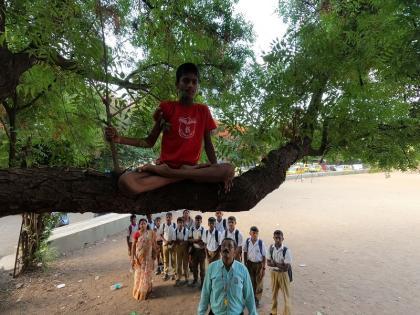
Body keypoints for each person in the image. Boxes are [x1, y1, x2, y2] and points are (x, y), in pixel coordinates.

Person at [105, 63, 235, 195]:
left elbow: (208, 145)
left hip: (183, 169)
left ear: (197, 86)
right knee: (125, 182)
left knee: (229, 170)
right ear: (177, 84)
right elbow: (149, 142)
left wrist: (216, 168)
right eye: (185, 80)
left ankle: (173, 175)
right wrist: (119, 139)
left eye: (194, 82)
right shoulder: (167, 108)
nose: (190, 85)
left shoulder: (203, 110)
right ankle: (181, 175)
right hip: (172, 167)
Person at [197, 238, 257, 315]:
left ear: (235, 251)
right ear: (220, 250)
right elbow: (205, 293)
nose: (226, 248)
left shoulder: (242, 270)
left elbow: (249, 296)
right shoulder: (212, 268)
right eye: (223, 246)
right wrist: (200, 313)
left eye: (229, 246)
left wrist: (253, 313)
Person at [131, 218, 157, 301]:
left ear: (147, 225)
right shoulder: (136, 234)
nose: (142, 225)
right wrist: (133, 258)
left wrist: (154, 255)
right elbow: (133, 246)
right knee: (139, 275)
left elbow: (153, 245)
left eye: (144, 223)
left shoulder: (151, 233)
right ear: (139, 225)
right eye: (141, 223)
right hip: (139, 259)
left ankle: (147, 290)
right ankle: (140, 291)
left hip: (148, 259)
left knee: (147, 275)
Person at [267, 230, 292, 315]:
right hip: (274, 273)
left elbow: (286, 268)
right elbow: (268, 262)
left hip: (283, 275)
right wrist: (279, 264)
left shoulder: (286, 250)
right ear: (273, 238)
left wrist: (275, 263)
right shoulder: (271, 248)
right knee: (274, 294)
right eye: (276, 238)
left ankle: (287, 313)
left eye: (279, 238)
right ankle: (273, 312)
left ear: (283, 239)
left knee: (286, 296)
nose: (277, 240)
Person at [244, 226, 267, 308]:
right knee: (251, 281)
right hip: (250, 264)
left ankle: (257, 299)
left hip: (258, 265)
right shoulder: (247, 241)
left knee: (259, 282)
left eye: (256, 233)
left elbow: (264, 256)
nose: (255, 235)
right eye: (253, 233)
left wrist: (263, 268)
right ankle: (252, 298)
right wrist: (245, 263)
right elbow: (245, 252)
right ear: (250, 233)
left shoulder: (261, 243)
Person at [188, 214, 206, 288]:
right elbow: (189, 239)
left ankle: (202, 283)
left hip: (201, 251)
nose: (198, 221)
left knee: (202, 268)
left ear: (201, 221)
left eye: (199, 220)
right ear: (194, 221)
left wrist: (194, 241)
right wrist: (197, 240)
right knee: (194, 267)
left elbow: (203, 242)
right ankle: (195, 280)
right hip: (194, 251)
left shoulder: (203, 230)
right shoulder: (192, 229)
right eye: (196, 220)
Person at [159, 212, 176, 281]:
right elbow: (161, 234)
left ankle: (174, 273)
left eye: (169, 217)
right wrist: (165, 241)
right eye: (167, 217)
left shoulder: (174, 225)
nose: (168, 218)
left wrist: (172, 241)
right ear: (166, 218)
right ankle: (166, 273)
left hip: (172, 245)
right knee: (166, 260)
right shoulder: (163, 225)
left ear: (172, 218)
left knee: (173, 260)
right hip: (165, 245)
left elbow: (176, 234)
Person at [173, 217, 189, 286]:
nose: (180, 224)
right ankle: (178, 278)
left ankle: (186, 278)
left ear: (184, 223)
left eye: (182, 222)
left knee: (185, 264)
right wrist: (179, 241)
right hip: (178, 248)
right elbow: (174, 240)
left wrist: (178, 241)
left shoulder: (186, 230)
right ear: (177, 223)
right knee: (179, 263)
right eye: (179, 222)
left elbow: (185, 241)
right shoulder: (175, 231)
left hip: (185, 248)